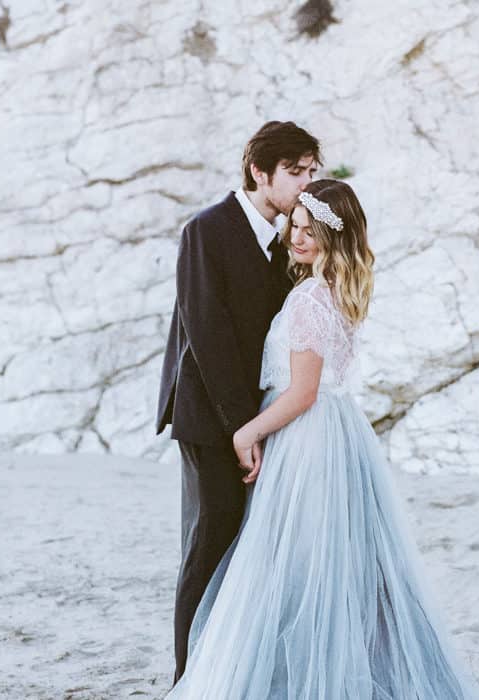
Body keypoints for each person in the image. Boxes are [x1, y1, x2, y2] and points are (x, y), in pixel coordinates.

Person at [166, 179, 479, 698]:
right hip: (334, 436)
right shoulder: (334, 289)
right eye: (296, 225)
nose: (297, 237)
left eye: (310, 231)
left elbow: (303, 392)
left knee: (290, 562)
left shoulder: (310, 298)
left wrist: (247, 430)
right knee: (329, 563)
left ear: (334, 238)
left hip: (305, 438)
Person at [155, 121, 321, 684]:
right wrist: (239, 430)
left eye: (311, 172)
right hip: (208, 417)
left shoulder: (288, 237)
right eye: (294, 172)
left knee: (244, 545)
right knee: (209, 540)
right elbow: (208, 336)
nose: (305, 183)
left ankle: (230, 669)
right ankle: (187, 678)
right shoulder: (207, 230)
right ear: (259, 171)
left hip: (253, 417)